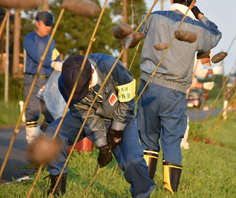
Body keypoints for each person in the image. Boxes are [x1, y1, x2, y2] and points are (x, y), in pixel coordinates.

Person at [136, 0, 222, 193]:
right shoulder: (199, 29)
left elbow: (136, 33)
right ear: (192, 3)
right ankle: (169, 192)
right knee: (172, 140)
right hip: (175, 92)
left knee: (147, 141)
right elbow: (216, 35)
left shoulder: (153, 17)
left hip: (148, 86)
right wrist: (199, 13)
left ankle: (144, 191)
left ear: (171, 0)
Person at [45, 54, 155, 197]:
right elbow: (86, 115)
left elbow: (127, 102)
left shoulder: (111, 66)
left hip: (119, 116)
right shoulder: (63, 83)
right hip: (85, 117)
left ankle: (143, 193)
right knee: (54, 132)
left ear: (91, 72)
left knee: (133, 160)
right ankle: (57, 186)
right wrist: (103, 145)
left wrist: (116, 129)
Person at [23, 11, 63, 144]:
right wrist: (52, 63)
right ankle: (32, 144)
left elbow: (55, 55)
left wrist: (61, 64)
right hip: (32, 79)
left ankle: (41, 137)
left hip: (48, 80)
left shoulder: (50, 40)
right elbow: (37, 57)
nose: (48, 28)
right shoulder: (30, 39)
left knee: (51, 113)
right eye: (46, 25)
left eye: (50, 26)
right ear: (37, 23)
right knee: (32, 111)